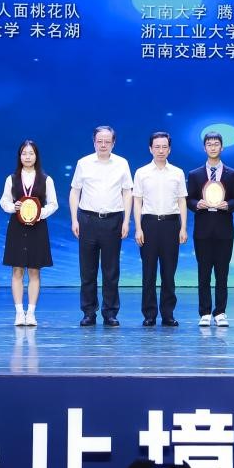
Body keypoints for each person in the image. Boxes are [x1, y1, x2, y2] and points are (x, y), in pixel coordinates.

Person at [70, 125, 134, 327]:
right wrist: (74, 219)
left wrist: (126, 220)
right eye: (100, 141)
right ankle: (89, 312)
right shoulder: (83, 163)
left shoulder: (122, 163)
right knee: (87, 271)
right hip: (87, 220)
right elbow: (75, 191)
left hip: (113, 220)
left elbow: (127, 192)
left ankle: (110, 313)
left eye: (107, 141)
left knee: (111, 270)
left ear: (113, 143)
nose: (103, 145)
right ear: (94, 142)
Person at [186, 131, 234, 327]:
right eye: (209, 144)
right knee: (203, 273)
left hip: (224, 231)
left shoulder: (233, 174)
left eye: (216, 144)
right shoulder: (195, 174)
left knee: (222, 273)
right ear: (204, 148)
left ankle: (220, 312)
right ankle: (204, 312)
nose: (213, 147)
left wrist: (229, 205)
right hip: (202, 231)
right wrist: (196, 204)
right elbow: (189, 199)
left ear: (222, 147)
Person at [0, 139, 58, 326]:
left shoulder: (46, 179)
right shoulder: (11, 178)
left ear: (36, 156)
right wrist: (13, 207)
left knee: (34, 270)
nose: (27, 157)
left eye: (31, 153)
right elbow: (4, 201)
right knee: (17, 270)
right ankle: (19, 313)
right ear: (19, 156)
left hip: (37, 228)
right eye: (24, 153)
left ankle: (31, 313)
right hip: (17, 228)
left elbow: (53, 204)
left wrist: (39, 213)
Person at [133, 131, 188, 327]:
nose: (161, 150)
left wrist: (183, 227)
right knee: (148, 272)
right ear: (150, 149)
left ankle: (168, 314)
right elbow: (137, 201)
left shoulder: (177, 173)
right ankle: (149, 314)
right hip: (148, 224)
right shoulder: (141, 172)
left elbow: (182, 201)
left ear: (169, 149)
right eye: (157, 147)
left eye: (164, 147)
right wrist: (138, 228)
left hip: (171, 224)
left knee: (168, 272)